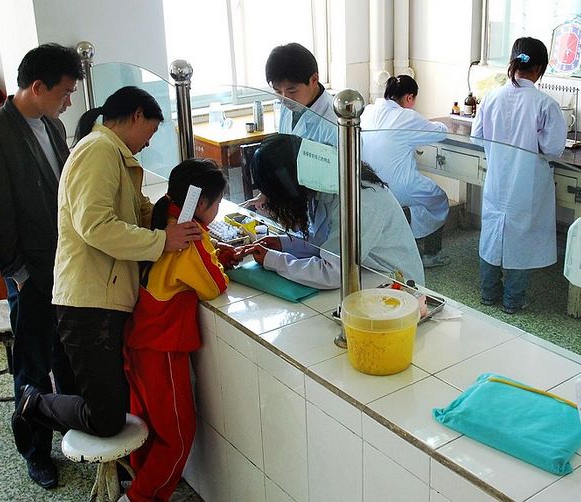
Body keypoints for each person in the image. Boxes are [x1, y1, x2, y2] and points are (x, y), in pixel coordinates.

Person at [10, 87, 203, 451]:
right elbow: (96, 227)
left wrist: (173, 218)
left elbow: (137, 212)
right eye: (152, 130)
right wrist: (162, 240)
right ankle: (33, 401)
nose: (150, 142)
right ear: (137, 115)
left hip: (105, 296)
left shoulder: (115, 155)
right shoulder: (98, 151)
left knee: (113, 400)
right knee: (106, 417)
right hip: (88, 301)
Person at [0, 43, 84, 489]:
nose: (68, 102)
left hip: (65, 267)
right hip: (29, 275)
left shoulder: (52, 125)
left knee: (67, 356)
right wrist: (19, 275)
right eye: (65, 92)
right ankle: (35, 451)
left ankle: (74, 429)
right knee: (31, 367)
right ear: (37, 87)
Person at [121, 159, 234, 502]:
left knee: (148, 426)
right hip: (161, 350)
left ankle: (138, 483)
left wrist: (215, 253)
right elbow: (214, 285)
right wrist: (219, 260)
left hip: (138, 340)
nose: (217, 210)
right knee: (178, 437)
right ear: (201, 203)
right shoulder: (188, 235)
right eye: (216, 203)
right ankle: (139, 497)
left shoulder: (165, 215)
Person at [241, 134, 425, 288]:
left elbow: (333, 272)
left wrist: (274, 261)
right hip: (363, 273)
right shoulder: (320, 184)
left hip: (396, 285)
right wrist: (284, 244)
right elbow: (326, 242)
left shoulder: (359, 201)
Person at [471, 37, 566, 314]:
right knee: (521, 237)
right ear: (539, 69)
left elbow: (477, 137)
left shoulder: (491, 97)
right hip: (527, 183)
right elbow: (553, 148)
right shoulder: (545, 104)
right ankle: (513, 300)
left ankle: (488, 293)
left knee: (492, 233)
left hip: (497, 178)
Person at [361, 75, 451, 268]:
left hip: (368, 184)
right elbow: (440, 132)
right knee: (439, 199)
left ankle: (411, 240)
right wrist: (445, 123)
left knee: (421, 201)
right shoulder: (406, 116)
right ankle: (431, 254)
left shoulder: (368, 111)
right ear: (409, 97)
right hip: (398, 186)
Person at [243, 42, 337, 213]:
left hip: (330, 209)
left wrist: (284, 196)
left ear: (314, 80)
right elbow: (283, 158)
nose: (284, 98)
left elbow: (336, 181)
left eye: (292, 91)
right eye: (277, 91)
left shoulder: (334, 122)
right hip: (299, 207)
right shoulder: (290, 106)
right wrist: (269, 193)